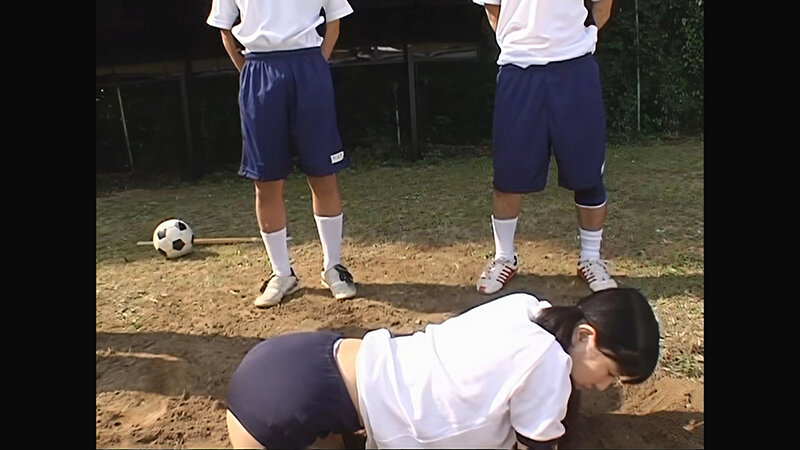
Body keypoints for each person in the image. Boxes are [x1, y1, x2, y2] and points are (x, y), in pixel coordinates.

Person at [224, 287, 661, 449]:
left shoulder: (527, 307)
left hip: (299, 359)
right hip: (286, 408)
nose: (605, 387)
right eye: (610, 373)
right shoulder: (549, 365)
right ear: (585, 335)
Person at [206, 0, 358, 308]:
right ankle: (281, 273)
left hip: (308, 66)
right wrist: (247, 69)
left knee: (323, 174)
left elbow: (335, 19)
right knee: (266, 181)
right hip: (259, 69)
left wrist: (318, 62)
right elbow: (223, 26)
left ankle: (333, 266)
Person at [473, 0, 619, 295]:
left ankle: (591, 259)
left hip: (575, 65)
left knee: (587, 172)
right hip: (519, 69)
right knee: (509, 173)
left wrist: (583, 35)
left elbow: (603, 4)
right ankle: (505, 257)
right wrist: (520, 42)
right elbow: (493, 8)